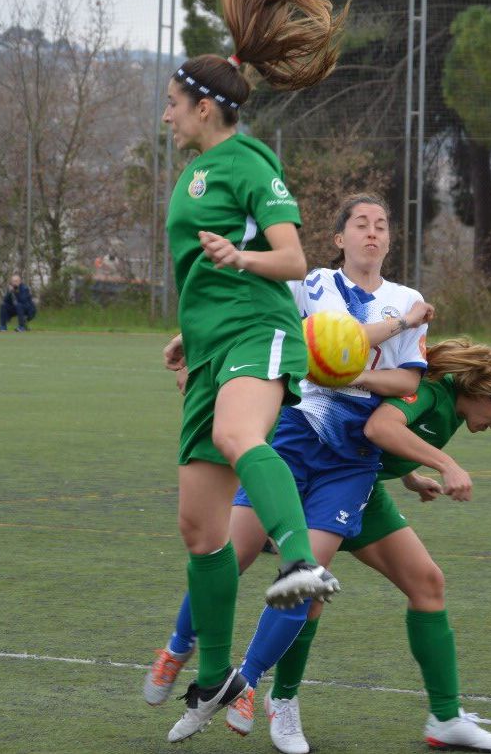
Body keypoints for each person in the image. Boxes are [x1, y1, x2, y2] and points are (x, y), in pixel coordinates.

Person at [150, 338, 491, 754]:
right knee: (299, 585)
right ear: (488, 391)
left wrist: (410, 476)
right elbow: (381, 426)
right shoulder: (430, 390)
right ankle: (267, 694)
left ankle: (446, 719)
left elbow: (377, 435)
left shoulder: (448, 404)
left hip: (360, 485)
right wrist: (445, 464)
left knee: (426, 583)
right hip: (321, 475)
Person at [148, 192, 433, 743]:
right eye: (361, 224)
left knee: (303, 581)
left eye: (382, 225)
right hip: (291, 438)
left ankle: (246, 684)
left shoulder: (407, 300)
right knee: (230, 553)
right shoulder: (313, 285)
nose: (373, 233)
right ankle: (178, 646)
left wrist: (345, 374)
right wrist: (191, 337)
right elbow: (255, 320)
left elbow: (408, 384)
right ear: (339, 238)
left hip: (349, 460)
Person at [156, 0, 349, 739]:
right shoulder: (199, 171)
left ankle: (301, 562)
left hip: (261, 336)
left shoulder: (250, 157)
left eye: (172, 100)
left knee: (241, 436)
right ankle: (209, 680)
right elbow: (209, 268)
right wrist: (186, 330)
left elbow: (294, 257)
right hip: (210, 348)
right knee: (200, 531)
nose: (165, 113)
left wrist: (243, 259)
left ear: (206, 104)